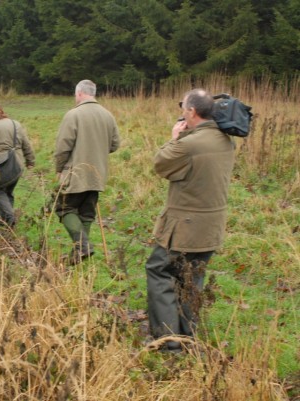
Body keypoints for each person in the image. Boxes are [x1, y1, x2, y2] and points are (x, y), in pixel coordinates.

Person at [145, 88, 236, 352]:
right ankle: (188, 336)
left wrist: (174, 138)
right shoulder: (226, 140)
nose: (181, 111)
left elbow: (161, 165)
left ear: (192, 112)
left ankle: (168, 343)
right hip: (211, 227)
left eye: (183, 107)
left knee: (159, 271)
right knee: (191, 279)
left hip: (183, 227)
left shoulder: (188, 144)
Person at [54, 79, 120, 264]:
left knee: (64, 208)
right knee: (86, 214)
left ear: (80, 93)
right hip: (98, 174)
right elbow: (115, 144)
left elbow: (62, 147)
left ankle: (83, 246)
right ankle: (79, 254)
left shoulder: (73, 115)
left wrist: (59, 169)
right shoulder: (108, 115)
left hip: (75, 173)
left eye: (75, 94)